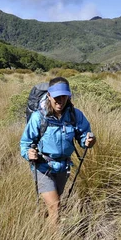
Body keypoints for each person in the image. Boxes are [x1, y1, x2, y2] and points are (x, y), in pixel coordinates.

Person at [20, 77, 96, 225]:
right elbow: (25, 143)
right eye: (56, 97)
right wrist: (28, 153)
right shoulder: (38, 118)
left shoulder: (75, 115)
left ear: (68, 96)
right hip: (42, 167)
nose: (60, 101)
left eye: (64, 96)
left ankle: (41, 229)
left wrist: (88, 141)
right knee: (56, 207)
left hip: (63, 167)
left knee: (52, 206)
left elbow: (83, 136)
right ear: (49, 95)